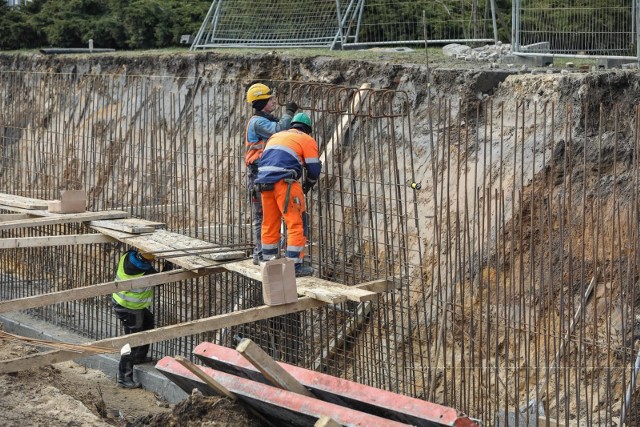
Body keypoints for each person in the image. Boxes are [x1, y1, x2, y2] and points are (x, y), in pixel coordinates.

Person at [254, 112, 321, 277]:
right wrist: (308, 184)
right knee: (295, 223)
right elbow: (313, 169)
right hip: (285, 183)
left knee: (269, 223)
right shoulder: (306, 139)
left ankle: (269, 262)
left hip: (263, 182)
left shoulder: (276, 136)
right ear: (307, 129)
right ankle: (294, 265)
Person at [245, 83, 298, 265]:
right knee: (261, 215)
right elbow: (279, 130)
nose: (274, 100)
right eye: (270, 99)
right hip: (258, 173)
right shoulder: (257, 122)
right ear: (261, 102)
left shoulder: (265, 119)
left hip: (265, 173)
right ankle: (260, 253)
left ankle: (264, 252)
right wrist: (289, 113)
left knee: (268, 214)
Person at [112, 249, 172, 389]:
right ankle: (124, 378)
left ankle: (139, 357)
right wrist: (168, 264)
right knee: (133, 341)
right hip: (130, 308)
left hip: (121, 302)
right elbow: (161, 280)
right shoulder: (146, 272)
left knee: (148, 321)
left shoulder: (127, 255)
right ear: (148, 260)